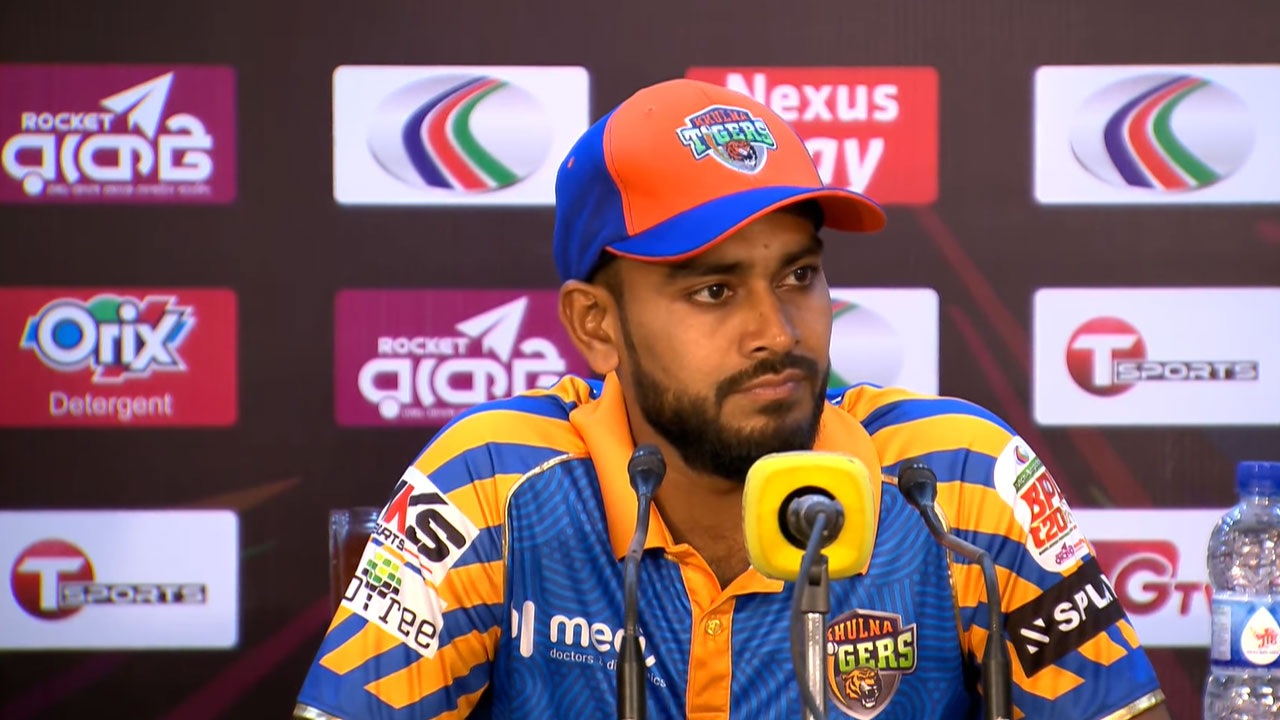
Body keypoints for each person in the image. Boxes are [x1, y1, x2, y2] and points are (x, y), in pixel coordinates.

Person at [294, 78, 1171, 720]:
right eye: (713, 290)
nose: (777, 332)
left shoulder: (956, 483)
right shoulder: (494, 482)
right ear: (597, 325)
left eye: (798, 275)